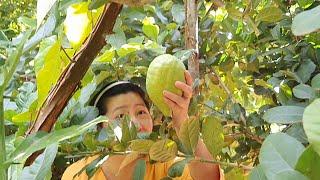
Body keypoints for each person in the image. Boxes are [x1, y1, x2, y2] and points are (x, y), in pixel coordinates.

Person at [62, 71, 224, 180]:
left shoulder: (166, 164)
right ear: (100, 127)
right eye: (120, 116)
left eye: (140, 112)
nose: (135, 123)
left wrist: (182, 120)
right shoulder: (77, 175)